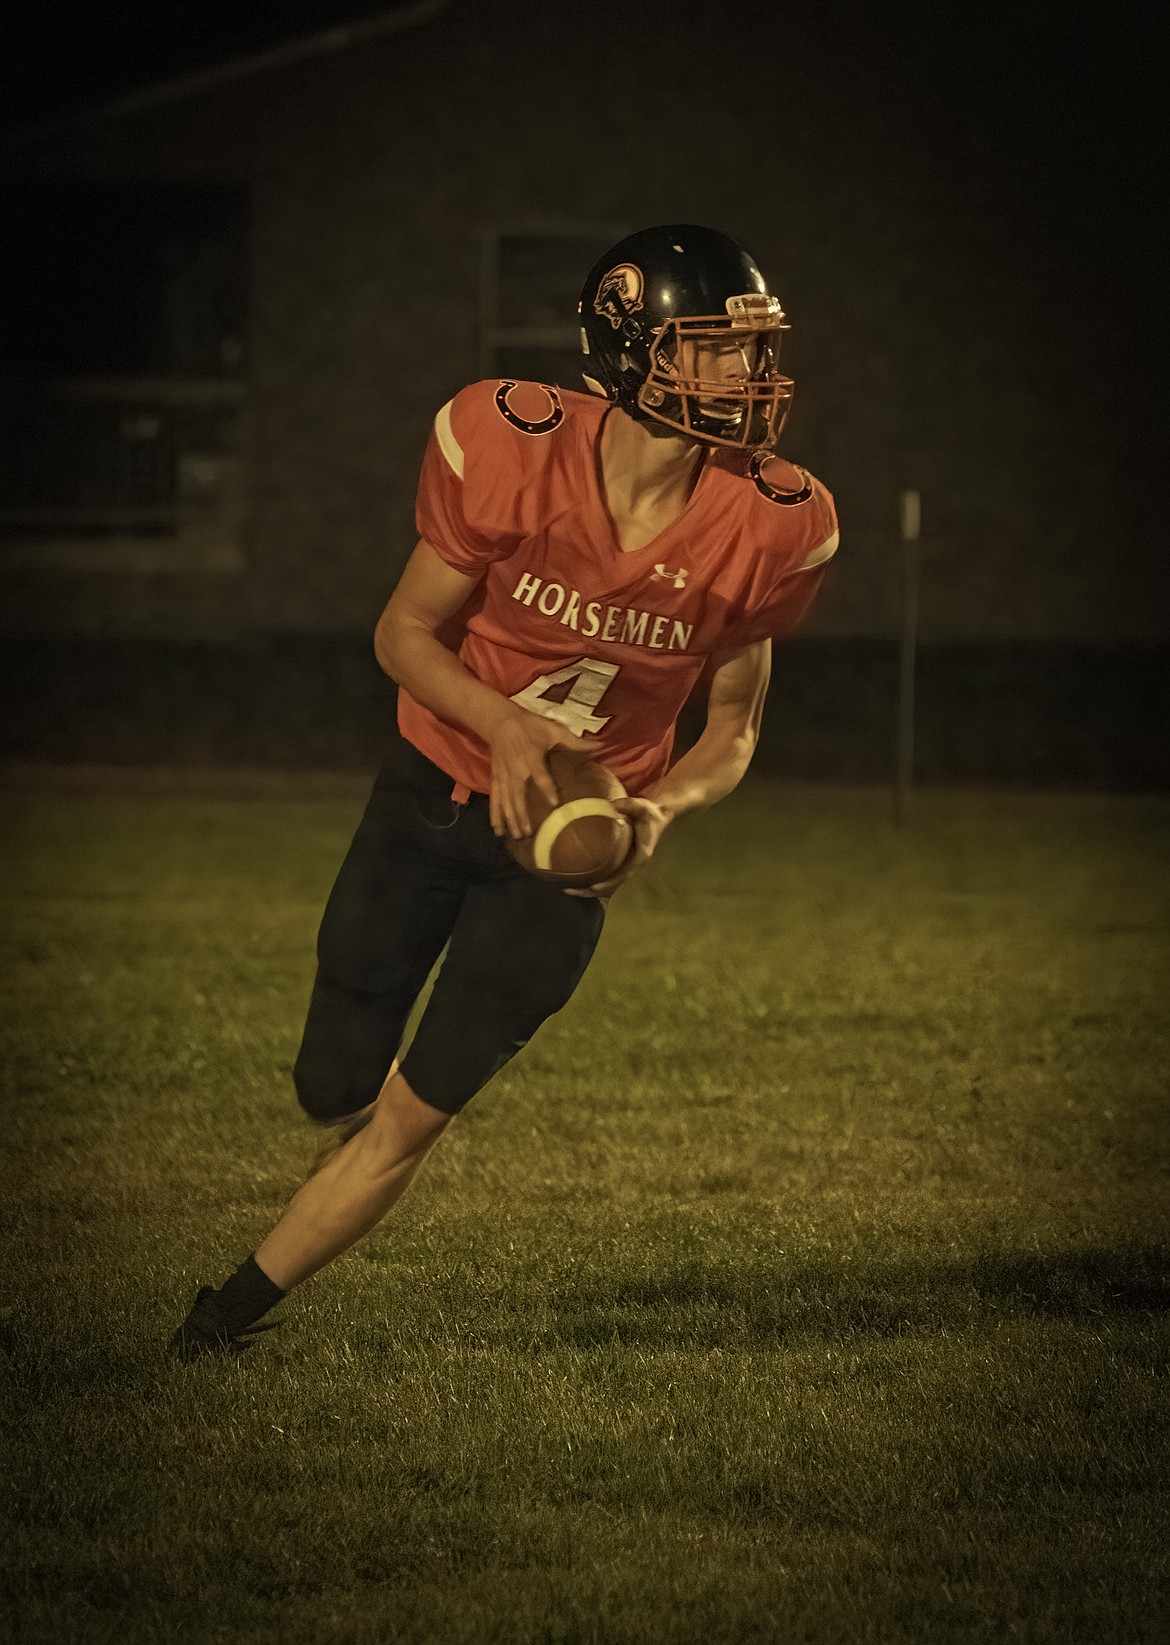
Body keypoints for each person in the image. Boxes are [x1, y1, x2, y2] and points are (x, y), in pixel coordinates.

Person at [171, 223, 839, 1359]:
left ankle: (218, 1321)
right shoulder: (511, 443)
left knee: (411, 1116)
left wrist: (653, 812)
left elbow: (732, 732)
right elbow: (402, 632)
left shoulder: (775, 522)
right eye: (714, 348)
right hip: (434, 792)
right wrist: (504, 724)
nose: (748, 375)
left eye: (753, 349)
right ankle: (346, 1104)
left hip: (567, 859)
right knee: (330, 1078)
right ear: (629, 352)